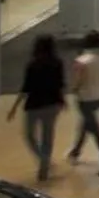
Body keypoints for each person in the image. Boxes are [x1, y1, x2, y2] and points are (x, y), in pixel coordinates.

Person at [8, 35, 65, 182]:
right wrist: (63, 101)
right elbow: (60, 85)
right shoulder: (57, 63)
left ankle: (43, 161)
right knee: (48, 137)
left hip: (34, 105)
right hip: (53, 104)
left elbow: (26, 88)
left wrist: (14, 107)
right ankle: (45, 164)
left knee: (29, 136)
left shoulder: (32, 65)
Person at [63, 30, 99, 174]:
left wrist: (72, 90)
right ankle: (75, 153)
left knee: (95, 130)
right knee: (87, 123)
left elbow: (77, 82)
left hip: (86, 98)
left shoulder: (81, 61)